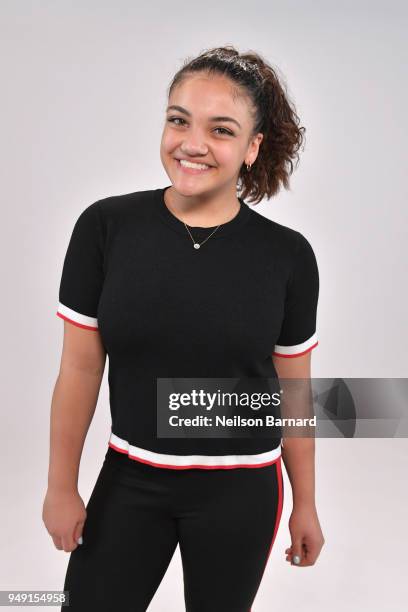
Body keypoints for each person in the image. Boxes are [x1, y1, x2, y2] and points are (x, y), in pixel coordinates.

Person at [42, 45, 325, 611]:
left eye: (221, 130)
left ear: (252, 148)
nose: (192, 144)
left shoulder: (287, 256)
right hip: (129, 480)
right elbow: (79, 368)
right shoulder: (106, 228)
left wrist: (306, 503)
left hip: (241, 492)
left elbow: (293, 395)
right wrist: (61, 485)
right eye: (178, 120)